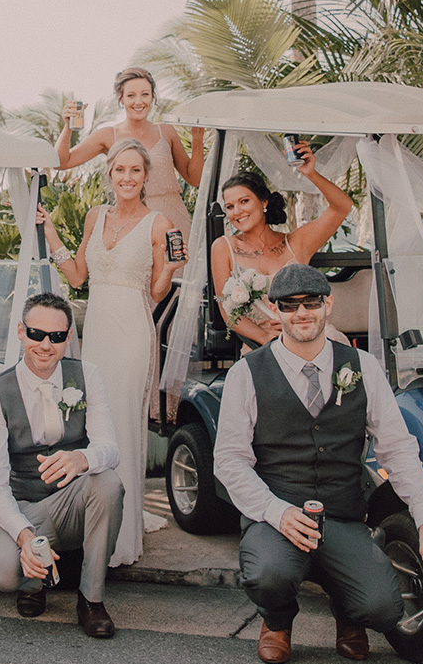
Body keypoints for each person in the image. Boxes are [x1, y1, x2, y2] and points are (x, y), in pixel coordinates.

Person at [214, 264, 423, 664]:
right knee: (268, 574)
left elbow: (397, 448)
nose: (302, 313)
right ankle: (277, 622)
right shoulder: (247, 373)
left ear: (328, 303)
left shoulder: (363, 366)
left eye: (311, 302)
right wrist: (275, 511)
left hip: (343, 513)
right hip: (277, 513)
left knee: (383, 608)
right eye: (289, 306)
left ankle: (349, 614)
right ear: (274, 311)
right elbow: (229, 460)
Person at [39, 139, 184, 567]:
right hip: (97, 331)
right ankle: (92, 522)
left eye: (135, 171)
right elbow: (79, 275)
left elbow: (156, 293)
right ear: (109, 175)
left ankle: (121, 536)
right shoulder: (94, 216)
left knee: (121, 420)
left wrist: (172, 267)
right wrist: (49, 230)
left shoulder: (158, 223)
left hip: (132, 332)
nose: (127, 178)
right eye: (119, 170)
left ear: (145, 176)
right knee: (94, 422)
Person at [0, 294, 123, 637]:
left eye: (56, 337)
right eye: (36, 334)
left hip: (70, 502)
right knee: (2, 574)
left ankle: (91, 599)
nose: (45, 344)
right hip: (23, 504)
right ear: (20, 331)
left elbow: (110, 449)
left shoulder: (88, 375)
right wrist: (25, 536)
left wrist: (81, 458)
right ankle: (31, 583)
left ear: (68, 337)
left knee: (109, 483)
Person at [208, 142, 356, 348]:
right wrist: (263, 337)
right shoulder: (223, 247)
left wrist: (310, 173)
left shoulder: (296, 242)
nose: (237, 212)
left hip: (312, 337)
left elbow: (342, 207)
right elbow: (227, 311)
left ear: (264, 202)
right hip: (263, 345)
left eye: (244, 201)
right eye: (230, 207)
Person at [55, 67, 205, 234]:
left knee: (178, 260)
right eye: (131, 95)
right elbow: (61, 163)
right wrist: (68, 127)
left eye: (145, 94)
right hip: (132, 223)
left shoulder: (166, 131)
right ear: (121, 99)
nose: (139, 101)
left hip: (174, 221)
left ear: (153, 97)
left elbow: (194, 179)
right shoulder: (108, 135)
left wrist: (197, 139)